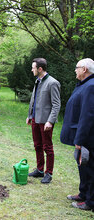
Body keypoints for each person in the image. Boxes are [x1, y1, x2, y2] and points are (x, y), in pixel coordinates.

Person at [60, 58, 94, 211]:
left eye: (77, 68)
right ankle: (83, 193)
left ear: (84, 69)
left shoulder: (90, 86)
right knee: (82, 166)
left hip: (88, 138)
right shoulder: (84, 84)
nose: (75, 70)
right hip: (81, 135)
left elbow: (87, 116)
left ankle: (90, 201)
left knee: (89, 169)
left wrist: (80, 139)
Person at [26, 58, 61, 184]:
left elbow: (56, 104)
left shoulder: (53, 83)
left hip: (46, 122)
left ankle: (48, 173)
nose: (32, 70)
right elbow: (34, 99)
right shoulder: (37, 81)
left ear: (40, 69)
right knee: (37, 145)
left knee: (48, 148)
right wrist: (30, 115)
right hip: (35, 119)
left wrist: (50, 121)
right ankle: (40, 170)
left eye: (33, 68)